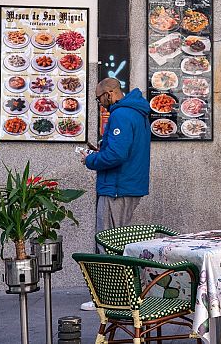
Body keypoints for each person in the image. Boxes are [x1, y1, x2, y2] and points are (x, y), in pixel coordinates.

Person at [79, 78, 151, 309]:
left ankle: (112, 298)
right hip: (129, 184)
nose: (100, 104)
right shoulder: (138, 113)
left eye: (100, 99)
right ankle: (129, 293)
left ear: (110, 93)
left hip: (118, 188)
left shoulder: (121, 114)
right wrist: (103, 151)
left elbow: (117, 156)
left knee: (108, 242)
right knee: (120, 241)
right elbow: (122, 150)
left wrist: (90, 160)